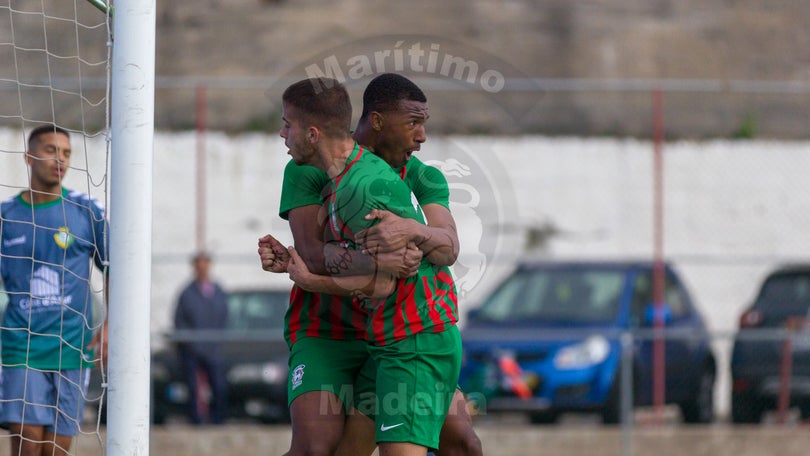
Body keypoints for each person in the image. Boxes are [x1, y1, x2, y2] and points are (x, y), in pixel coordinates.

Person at [259, 73, 481, 456]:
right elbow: (312, 254)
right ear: (377, 121)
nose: (423, 136)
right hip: (327, 329)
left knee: (461, 441)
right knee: (319, 448)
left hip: (398, 334)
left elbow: (447, 247)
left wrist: (414, 234)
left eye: (423, 123)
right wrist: (380, 261)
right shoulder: (309, 166)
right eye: (413, 123)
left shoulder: (417, 177)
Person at [0, 124, 108, 456]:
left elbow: (116, 269)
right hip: (22, 345)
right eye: (50, 150)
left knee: (55, 451)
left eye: (66, 153)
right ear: (29, 157)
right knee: (28, 442)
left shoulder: (86, 211)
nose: (59, 159)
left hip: (72, 346)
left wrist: (109, 326)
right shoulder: (6, 215)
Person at [173, 251, 229, 425]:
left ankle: (217, 420)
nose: (202, 269)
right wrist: (192, 343)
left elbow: (225, 317)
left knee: (218, 386)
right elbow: (179, 321)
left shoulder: (218, 291)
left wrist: (217, 341)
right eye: (199, 266)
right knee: (193, 387)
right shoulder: (186, 293)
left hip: (214, 349)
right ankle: (196, 421)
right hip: (192, 350)